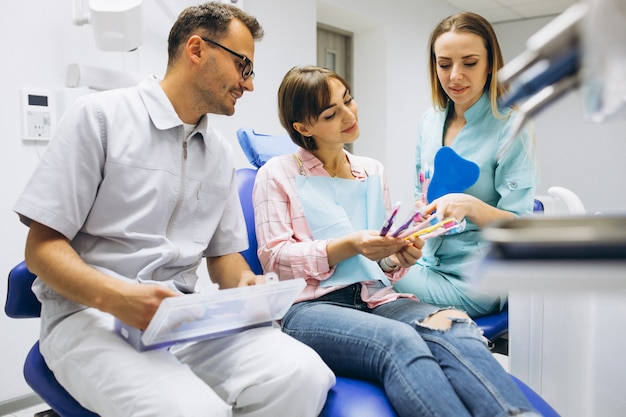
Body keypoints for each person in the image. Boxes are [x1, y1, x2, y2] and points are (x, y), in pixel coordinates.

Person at [13, 4, 334, 417]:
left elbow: (224, 259)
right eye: (244, 66)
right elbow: (40, 249)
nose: (248, 85)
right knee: (195, 411)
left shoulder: (218, 153)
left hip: (183, 316)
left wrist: (249, 289)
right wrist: (121, 298)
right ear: (197, 49)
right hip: (88, 315)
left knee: (304, 374)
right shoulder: (100, 118)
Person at [253, 65, 540, 417]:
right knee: (400, 341)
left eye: (348, 100)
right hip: (310, 308)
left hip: (376, 298)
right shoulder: (277, 174)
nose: (348, 115)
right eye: (331, 113)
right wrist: (352, 244)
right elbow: (275, 257)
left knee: (455, 327)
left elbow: (381, 265)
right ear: (303, 127)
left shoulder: (371, 171)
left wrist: (398, 257)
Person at [393, 12, 539, 318]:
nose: (455, 76)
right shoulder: (429, 122)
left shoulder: (512, 126)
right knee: (373, 267)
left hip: (479, 277)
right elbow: (423, 198)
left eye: (469, 63)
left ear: (489, 65)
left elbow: (521, 229)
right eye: (444, 64)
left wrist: (470, 205)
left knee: (370, 281)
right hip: (429, 263)